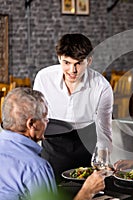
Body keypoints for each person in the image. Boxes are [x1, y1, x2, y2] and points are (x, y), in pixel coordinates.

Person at [0, 87, 105, 200]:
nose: (48, 122)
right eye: (45, 118)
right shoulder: (36, 167)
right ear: (31, 124)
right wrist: (87, 191)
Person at [33, 33, 113, 179]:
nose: (72, 70)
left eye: (78, 63)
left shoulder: (102, 86)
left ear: (89, 61)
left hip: (85, 142)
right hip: (52, 143)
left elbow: (104, 130)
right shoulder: (44, 78)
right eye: (66, 63)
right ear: (59, 58)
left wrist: (103, 160)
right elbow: (37, 117)